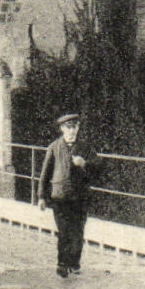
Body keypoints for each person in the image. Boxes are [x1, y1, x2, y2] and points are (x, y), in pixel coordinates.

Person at [37, 112, 96, 277]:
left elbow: (99, 169)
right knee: (64, 231)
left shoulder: (85, 148)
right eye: (68, 128)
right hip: (60, 197)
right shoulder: (54, 147)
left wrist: (85, 163)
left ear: (78, 128)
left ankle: (74, 263)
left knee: (77, 231)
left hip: (80, 198)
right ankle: (62, 264)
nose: (72, 131)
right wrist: (41, 197)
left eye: (75, 127)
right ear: (62, 129)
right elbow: (45, 174)